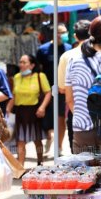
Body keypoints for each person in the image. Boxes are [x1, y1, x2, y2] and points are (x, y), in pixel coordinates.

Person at [65, 15, 101, 153]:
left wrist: (84, 117)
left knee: (85, 174)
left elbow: (69, 99)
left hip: (81, 131)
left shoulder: (72, 61)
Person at [6, 55, 51, 166]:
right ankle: (21, 166)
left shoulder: (40, 76)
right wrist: (8, 109)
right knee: (20, 141)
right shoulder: (16, 77)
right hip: (20, 112)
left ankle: (40, 162)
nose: (21, 64)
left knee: (37, 139)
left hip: (35, 112)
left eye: (24, 62)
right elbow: (14, 95)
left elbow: (48, 93)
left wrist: (42, 107)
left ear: (32, 65)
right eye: (20, 62)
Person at [37, 23, 72, 154]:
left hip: (62, 89)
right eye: (60, 32)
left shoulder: (69, 48)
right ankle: (49, 136)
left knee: (61, 118)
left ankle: (59, 146)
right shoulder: (43, 50)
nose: (63, 35)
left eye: (65, 32)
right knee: (45, 117)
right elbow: (39, 70)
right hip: (47, 90)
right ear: (54, 34)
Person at [58, 20, 91, 154]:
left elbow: (62, 89)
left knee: (79, 157)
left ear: (75, 37)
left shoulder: (67, 56)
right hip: (100, 112)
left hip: (76, 112)